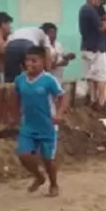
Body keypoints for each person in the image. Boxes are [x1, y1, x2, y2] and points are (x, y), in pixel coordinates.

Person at [13, 46, 69, 197]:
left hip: (47, 127)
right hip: (28, 126)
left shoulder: (49, 80)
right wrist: (16, 114)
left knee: (48, 160)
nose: (29, 64)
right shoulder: (20, 80)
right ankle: (38, 176)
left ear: (43, 62)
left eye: (34, 61)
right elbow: (17, 97)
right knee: (23, 155)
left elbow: (63, 97)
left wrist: (59, 114)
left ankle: (54, 184)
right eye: (27, 60)